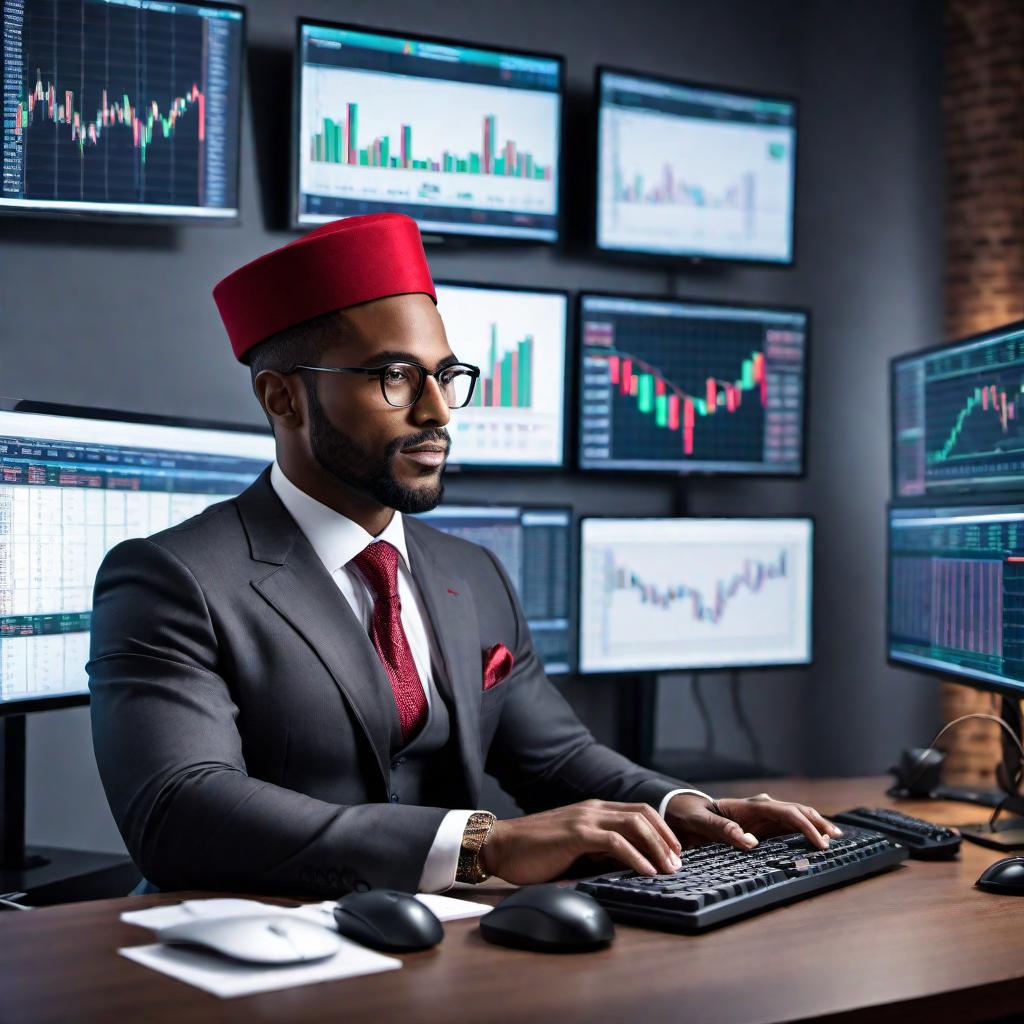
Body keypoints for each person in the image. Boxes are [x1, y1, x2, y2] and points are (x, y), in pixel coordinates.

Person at [88, 213, 839, 897]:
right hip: (253, 964)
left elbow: (555, 759)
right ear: (282, 399)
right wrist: (487, 845)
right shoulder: (171, 578)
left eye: (446, 376)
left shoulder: (470, 573)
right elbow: (178, 808)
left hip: (451, 955)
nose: (438, 412)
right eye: (395, 378)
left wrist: (686, 808)